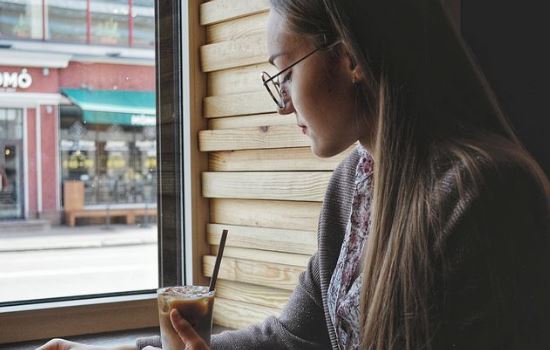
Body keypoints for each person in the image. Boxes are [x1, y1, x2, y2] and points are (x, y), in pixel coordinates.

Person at [39, 0, 550, 349]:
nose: (283, 104)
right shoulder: (354, 183)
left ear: (349, 57)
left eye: (284, 72)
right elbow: (292, 337)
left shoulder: (484, 198)